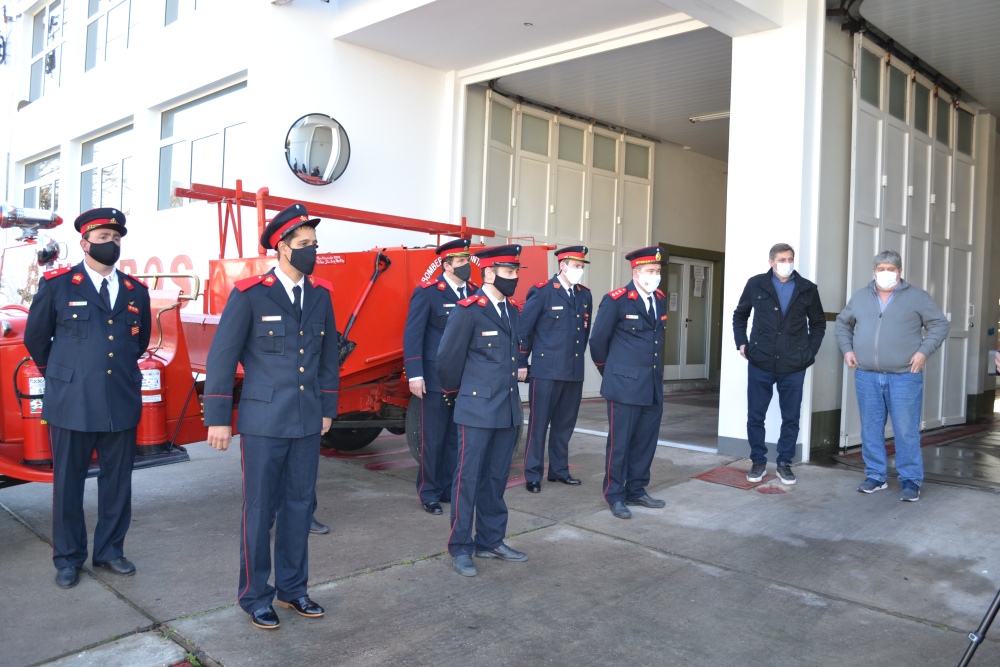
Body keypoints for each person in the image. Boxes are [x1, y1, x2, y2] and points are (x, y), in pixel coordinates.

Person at [203, 203, 339, 629]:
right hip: (263, 422)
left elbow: (328, 358)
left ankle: (293, 590)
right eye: (304, 245)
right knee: (260, 510)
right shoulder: (250, 295)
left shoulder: (320, 296)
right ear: (281, 247)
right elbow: (222, 358)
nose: (312, 252)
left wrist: (327, 408)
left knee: (299, 506)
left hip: (305, 420)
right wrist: (218, 417)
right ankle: (255, 595)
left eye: (314, 245)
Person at [24, 208, 151, 589]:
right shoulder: (59, 285)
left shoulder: (134, 291)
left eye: (115, 239)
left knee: (117, 483)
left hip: (119, 400)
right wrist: (65, 374)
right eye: (102, 239)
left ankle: (110, 550)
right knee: (68, 483)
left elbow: (138, 341)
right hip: (71, 400)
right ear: (84, 243)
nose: (110, 244)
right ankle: (68, 558)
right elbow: (35, 339)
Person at [437, 244, 528, 577]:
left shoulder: (513, 310)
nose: (514, 278)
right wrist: (456, 397)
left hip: (506, 409)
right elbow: (447, 361)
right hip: (476, 410)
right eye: (508, 272)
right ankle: (461, 548)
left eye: (516, 272)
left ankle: (491, 540)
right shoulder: (468, 310)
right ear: (489, 273)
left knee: (495, 480)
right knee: (467, 480)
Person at [835, 250, 949, 502]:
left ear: (900, 271)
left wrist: (923, 352)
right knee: (871, 429)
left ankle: (910, 480)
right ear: (874, 271)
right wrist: (847, 349)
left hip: (904, 375)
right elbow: (843, 323)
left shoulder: (917, 296)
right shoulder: (861, 296)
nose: (886, 273)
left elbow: (940, 324)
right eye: (882, 268)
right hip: (867, 375)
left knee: (906, 430)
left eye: (891, 268)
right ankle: (875, 476)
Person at [732, 243, 826, 485]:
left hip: (794, 364)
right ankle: (758, 462)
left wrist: (809, 352)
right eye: (782, 259)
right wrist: (741, 343)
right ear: (771, 262)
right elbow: (740, 314)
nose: (787, 263)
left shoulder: (807, 288)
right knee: (756, 415)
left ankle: (785, 463)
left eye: (790, 258)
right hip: (761, 361)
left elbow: (818, 323)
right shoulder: (756, 284)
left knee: (791, 416)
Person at [589, 246, 668, 520]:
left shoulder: (659, 299)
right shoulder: (617, 300)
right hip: (624, 385)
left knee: (645, 441)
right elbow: (598, 340)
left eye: (657, 272)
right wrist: (609, 371)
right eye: (650, 271)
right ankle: (614, 495)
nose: (655, 276)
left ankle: (636, 489)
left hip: (652, 385)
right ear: (636, 272)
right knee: (620, 443)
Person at [404, 238, 476, 515]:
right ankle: (429, 492)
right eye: (460, 262)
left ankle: (447, 487)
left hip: (465, 377)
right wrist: (415, 374)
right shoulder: (429, 292)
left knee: (455, 437)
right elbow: (413, 335)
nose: (466, 266)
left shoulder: (475, 292)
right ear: (446, 265)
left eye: (467, 261)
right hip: (434, 378)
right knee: (433, 438)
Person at [518, 246, 593, 492]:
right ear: (562, 265)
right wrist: (521, 362)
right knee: (539, 424)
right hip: (546, 370)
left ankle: (559, 471)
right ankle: (533, 474)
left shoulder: (584, 296)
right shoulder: (543, 292)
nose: (579, 271)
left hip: (572, 370)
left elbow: (584, 332)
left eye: (582, 267)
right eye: (575, 266)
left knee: (565, 424)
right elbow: (524, 330)